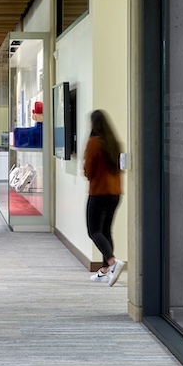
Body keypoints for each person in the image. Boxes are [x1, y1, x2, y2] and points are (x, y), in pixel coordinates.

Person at [81, 110, 125, 284]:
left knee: (94, 231)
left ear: (94, 124)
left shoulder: (94, 143)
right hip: (115, 193)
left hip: (99, 192)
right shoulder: (114, 143)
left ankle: (113, 262)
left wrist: (86, 170)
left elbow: (88, 171)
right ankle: (105, 270)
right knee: (106, 231)